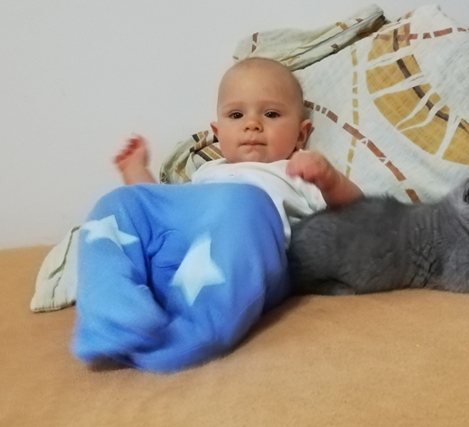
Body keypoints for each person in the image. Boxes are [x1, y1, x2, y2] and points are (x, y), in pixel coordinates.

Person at [72, 57, 362, 373]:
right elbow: (163, 211)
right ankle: (113, 308)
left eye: (271, 114)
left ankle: (184, 336)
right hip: (176, 255)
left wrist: (330, 179)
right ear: (218, 131)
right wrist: (136, 174)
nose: (252, 124)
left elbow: (361, 211)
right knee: (119, 202)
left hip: (235, 266)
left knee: (244, 201)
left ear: (301, 135)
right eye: (236, 115)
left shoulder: (297, 171)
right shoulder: (207, 172)